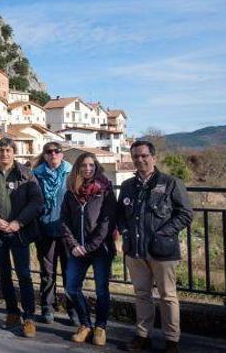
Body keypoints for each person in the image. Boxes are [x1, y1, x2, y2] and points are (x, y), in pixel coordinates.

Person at [117, 140, 192, 353]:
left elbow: (185, 213)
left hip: (163, 251)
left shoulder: (170, 183)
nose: (139, 160)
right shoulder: (128, 186)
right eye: (135, 157)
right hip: (135, 250)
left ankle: (171, 340)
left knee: (168, 296)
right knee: (142, 294)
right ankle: (143, 335)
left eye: (143, 156)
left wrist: (163, 233)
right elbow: (120, 215)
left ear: (153, 157)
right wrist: (124, 233)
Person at [0, 137, 43, 338]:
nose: (4, 154)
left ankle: (29, 317)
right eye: (1, 150)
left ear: (14, 152)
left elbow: (36, 201)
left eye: (8, 150)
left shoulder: (25, 173)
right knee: (4, 275)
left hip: (19, 233)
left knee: (23, 274)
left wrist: (19, 222)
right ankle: (12, 312)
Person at [60, 153, 117, 347]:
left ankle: (101, 326)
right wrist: (74, 245)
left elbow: (107, 222)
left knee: (102, 289)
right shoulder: (71, 191)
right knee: (71, 287)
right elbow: (64, 221)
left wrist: (89, 246)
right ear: (78, 168)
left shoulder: (105, 189)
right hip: (77, 250)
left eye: (91, 165)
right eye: (83, 165)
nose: (87, 169)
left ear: (96, 167)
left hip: (100, 249)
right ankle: (85, 324)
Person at [31, 142, 74, 324]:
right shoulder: (36, 175)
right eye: (49, 152)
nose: (54, 154)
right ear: (45, 155)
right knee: (47, 273)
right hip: (45, 229)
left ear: (62, 155)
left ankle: (74, 310)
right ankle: (47, 307)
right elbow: (32, 200)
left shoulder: (72, 173)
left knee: (69, 272)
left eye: (57, 151)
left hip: (67, 231)